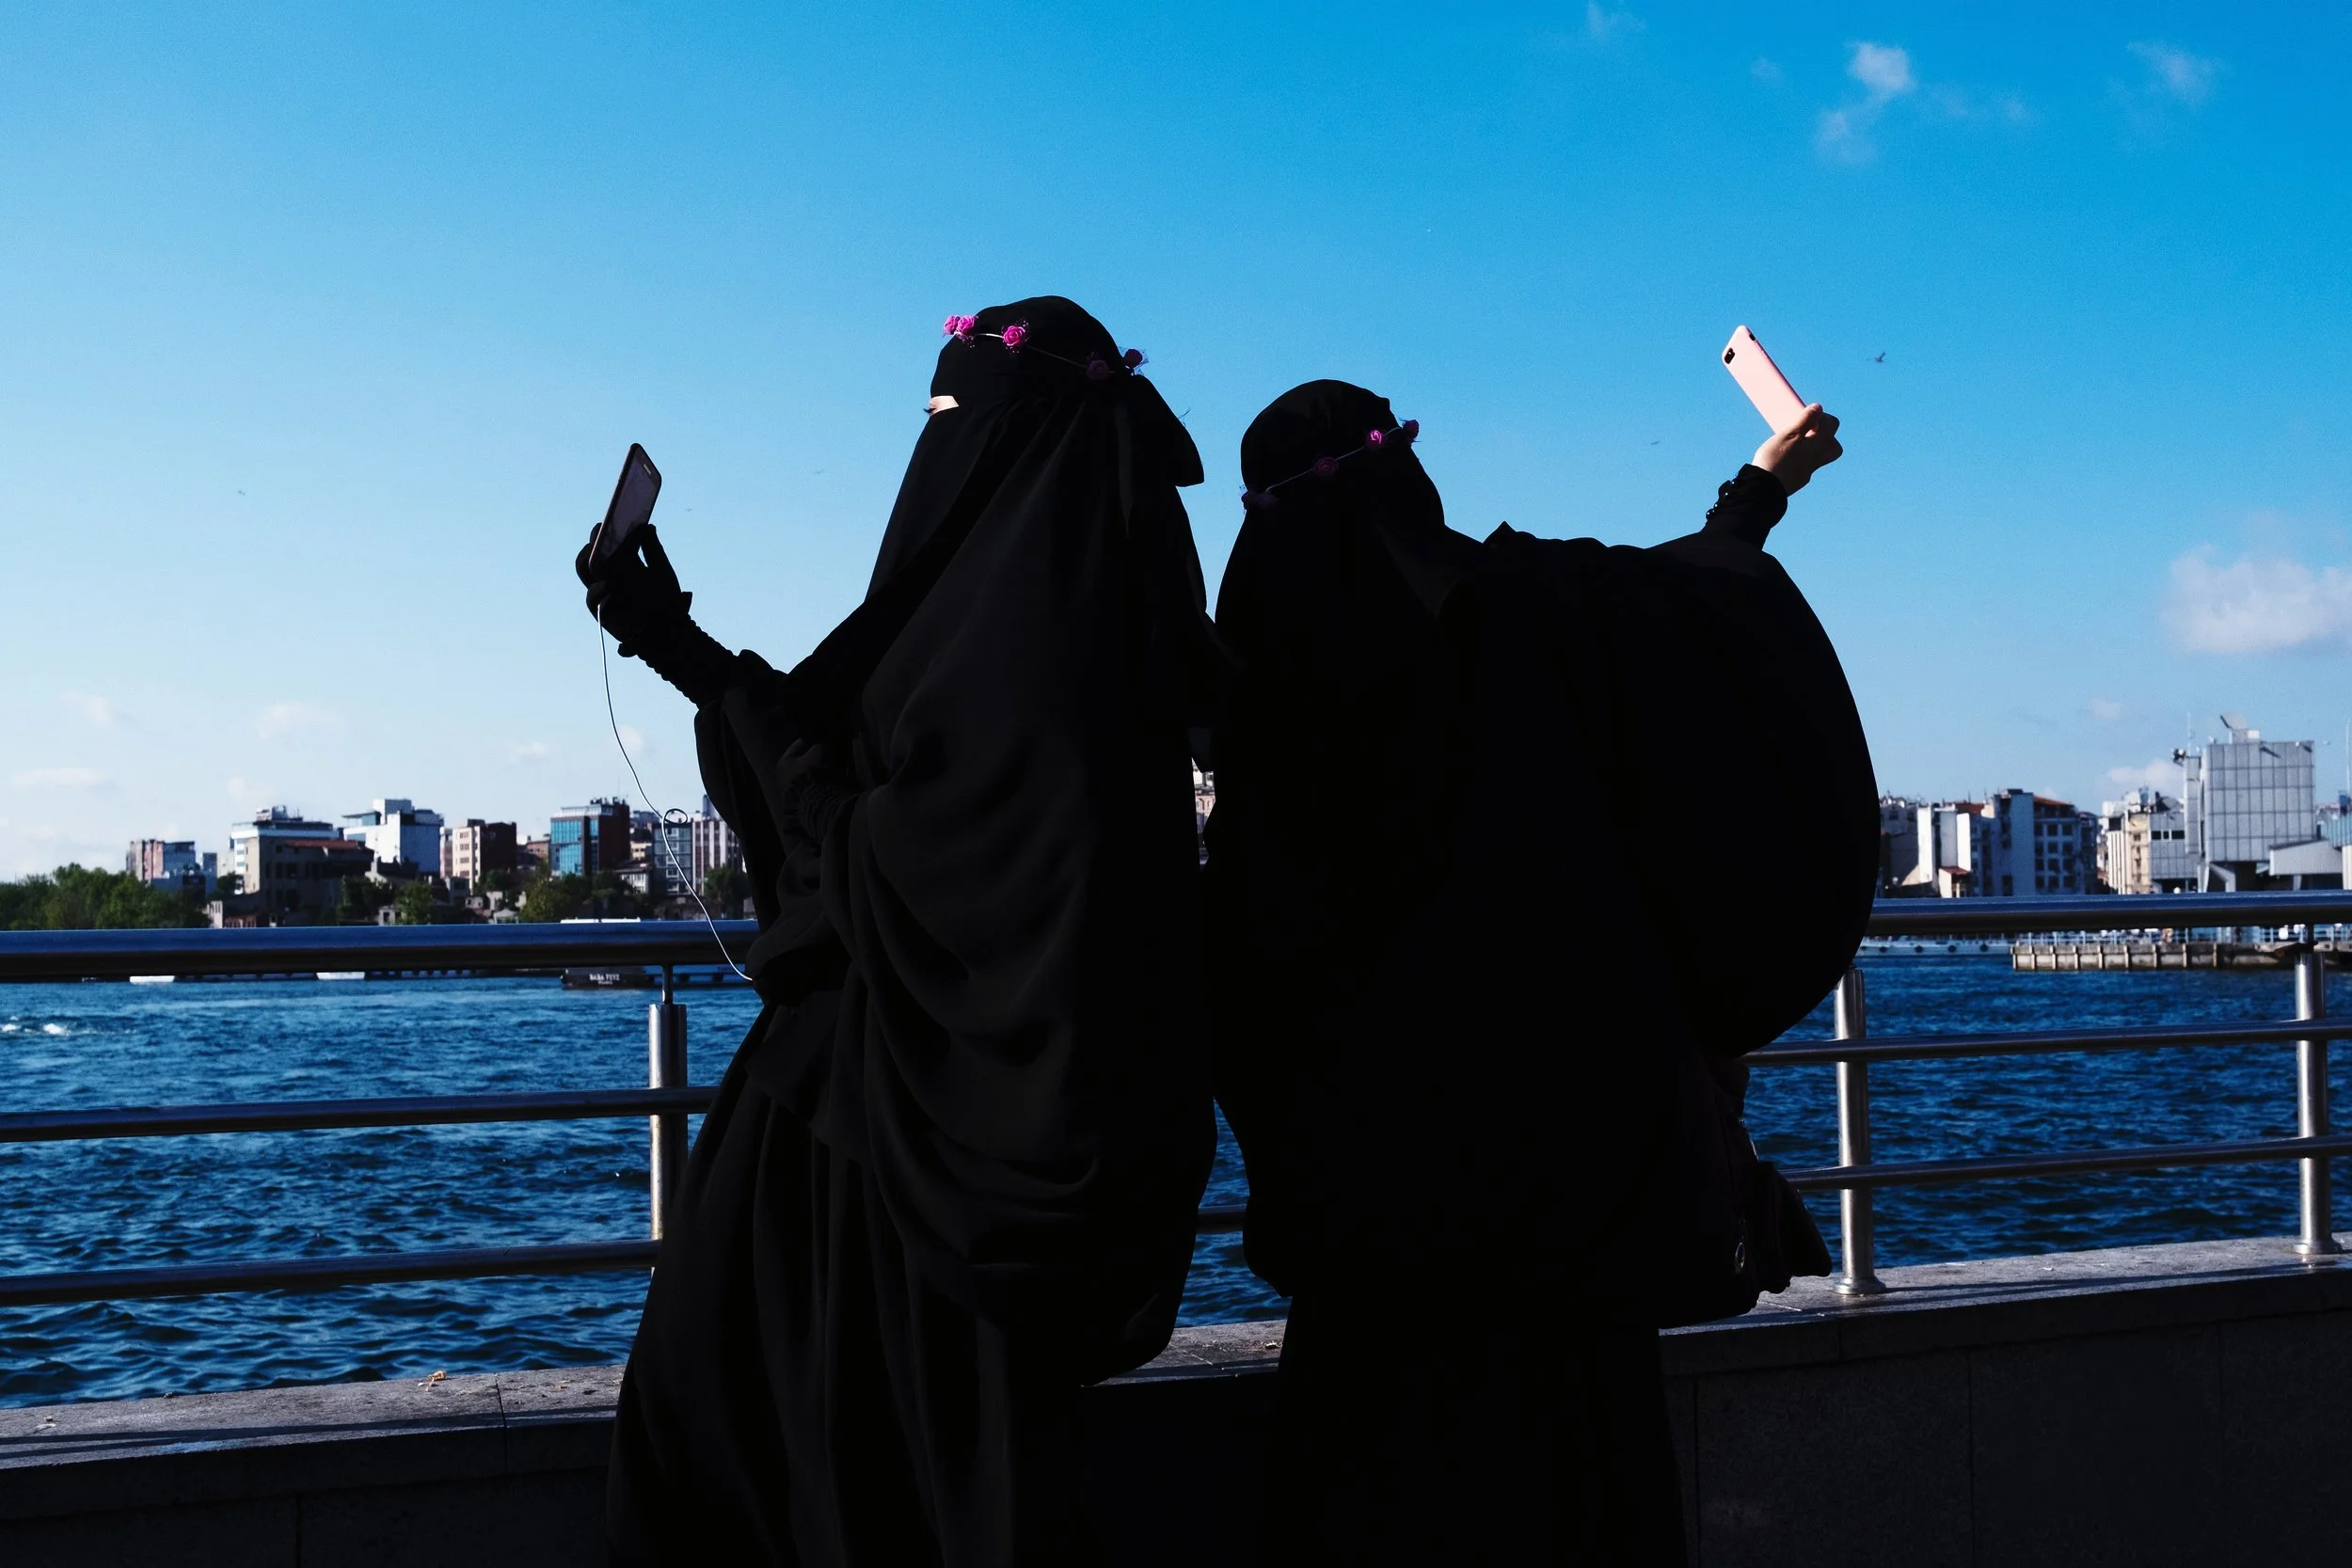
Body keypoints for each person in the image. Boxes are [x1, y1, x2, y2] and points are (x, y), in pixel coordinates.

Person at [582, 297, 1229, 1566]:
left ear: (1005, 445)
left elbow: (881, 846)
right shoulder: (1098, 646)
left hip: (884, 1177)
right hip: (963, 1167)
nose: (929, 446)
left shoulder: (1025, 674)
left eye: (950, 419)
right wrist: (676, 644)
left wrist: (726, 695)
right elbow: (840, 774)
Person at [1205, 380, 1877, 1563]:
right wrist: (1762, 484)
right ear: (1405, 473)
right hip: (1561, 1207)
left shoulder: (1257, 698)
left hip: (1364, 1225)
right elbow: (1689, 603)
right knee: (1582, 1486)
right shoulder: (1529, 613)